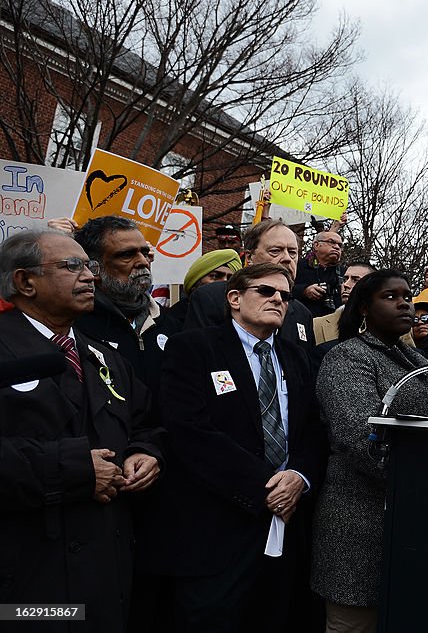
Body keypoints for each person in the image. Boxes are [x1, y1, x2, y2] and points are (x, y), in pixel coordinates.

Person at [140, 263, 324, 631]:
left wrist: (299, 477)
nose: (278, 300)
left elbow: (312, 431)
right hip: (213, 529)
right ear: (235, 298)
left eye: (285, 296)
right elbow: (190, 431)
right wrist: (266, 487)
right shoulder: (193, 347)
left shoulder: (296, 356)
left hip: (282, 528)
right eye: (266, 291)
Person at [0, 229, 163, 632]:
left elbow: (147, 422)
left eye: (89, 266)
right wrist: (74, 468)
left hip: (107, 574)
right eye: (72, 266)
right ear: (25, 281)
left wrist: (146, 453)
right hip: (28, 583)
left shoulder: (103, 356)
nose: (89, 276)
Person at [313, 271, 428, 632]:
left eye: (407, 295)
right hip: (360, 527)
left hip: (411, 523)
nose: (405, 303)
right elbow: (360, 439)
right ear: (364, 310)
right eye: (390, 297)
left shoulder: (418, 361)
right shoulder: (347, 358)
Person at [74, 216, 172, 390]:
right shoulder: (74, 328)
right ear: (93, 268)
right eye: (127, 255)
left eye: (145, 252)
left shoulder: (170, 323)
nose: (143, 262)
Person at [186, 219, 315, 350]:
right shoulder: (211, 298)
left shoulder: (303, 314)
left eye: (292, 252)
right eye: (275, 251)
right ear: (249, 257)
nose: (287, 258)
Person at [164, 249, 243, 327]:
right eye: (215, 276)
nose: (224, 283)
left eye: (230, 279)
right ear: (196, 282)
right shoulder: (171, 322)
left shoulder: (243, 323)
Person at [313, 261, 376, 346]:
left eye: (355, 280)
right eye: (345, 279)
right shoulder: (317, 324)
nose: (346, 284)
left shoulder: (391, 325)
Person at [294, 228, 345, 317]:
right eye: (331, 242)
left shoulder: (344, 273)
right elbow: (282, 289)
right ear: (316, 245)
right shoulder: (298, 267)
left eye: (340, 245)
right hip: (302, 321)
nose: (337, 247)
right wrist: (304, 291)